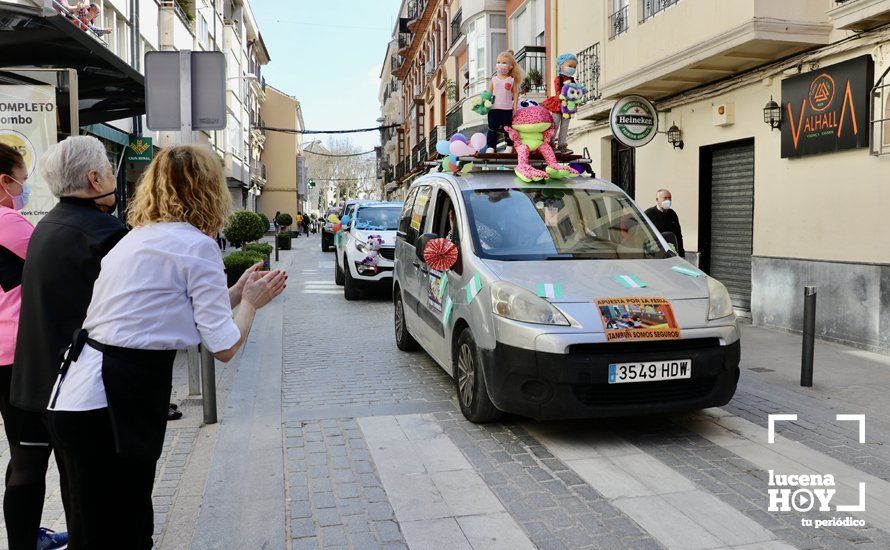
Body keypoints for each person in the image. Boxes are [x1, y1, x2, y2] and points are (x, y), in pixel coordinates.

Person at [46, 145, 287, 548]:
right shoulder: (196, 246)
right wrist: (250, 303)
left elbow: (168, 310)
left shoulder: (136, 239)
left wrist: (234, 292)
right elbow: (224, 345)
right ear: (208, 189)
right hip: (114, 405)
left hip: (77, 398)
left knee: (97, 532)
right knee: (127, 533)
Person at [0, 144, 69, 550]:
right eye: (21, 181)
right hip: (19, 354)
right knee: (32, 454)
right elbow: (55, 261)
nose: (23, 190)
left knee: (22, 450)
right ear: (3, 181)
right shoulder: (9, 223)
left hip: (3, 356)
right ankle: (25, 544)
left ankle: (26, 538)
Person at [485, 50, 523, 154]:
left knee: (508, 129)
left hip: (507, 109)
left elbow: (515, 93)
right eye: (499, 62)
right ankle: (491, 146)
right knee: (492, 128)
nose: (501, 65)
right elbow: (489, 94)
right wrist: (485, 104)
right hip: (494, 108)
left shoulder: (511, 80)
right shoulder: (493, 80)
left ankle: (509, 146)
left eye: (504, 63)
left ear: (511, 66)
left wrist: (515, 105)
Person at [542, 53, 578, 153]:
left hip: (569, 106)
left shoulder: (573, 81)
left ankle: (562, 145)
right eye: (570, 66)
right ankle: (551, 144)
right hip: (558, 104)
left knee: (565, 126)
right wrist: (565, 97)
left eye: (574, 67)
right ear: (561, 66)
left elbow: (576, 92)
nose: (572, 68)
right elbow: (558, 91)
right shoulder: (558, 79)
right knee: (555, 124)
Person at [644, 188, 685, 257]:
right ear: (657, 200)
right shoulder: (649, 213)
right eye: (665, 198)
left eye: (669, 198)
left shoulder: (672, 214)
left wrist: (681, 253)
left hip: (671, 252)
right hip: (655, 253)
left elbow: (678, 235)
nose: (667, 200)